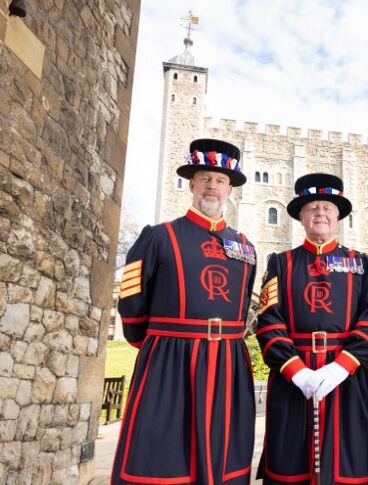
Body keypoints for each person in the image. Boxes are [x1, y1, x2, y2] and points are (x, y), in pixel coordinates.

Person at [112, 138, 257, 485]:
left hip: (228, 361)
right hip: (169, 359)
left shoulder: (246, 246)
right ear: (191, 183)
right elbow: (131, 300)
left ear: (230, 190)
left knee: (225, 455)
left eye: (220, 180)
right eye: (205, 177)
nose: (212, 186)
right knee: (162, 453)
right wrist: (156, 347)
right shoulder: (159, 236)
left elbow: (244, 303)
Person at [255, 173, 368, 484]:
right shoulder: (281, 263)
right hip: (293, 379)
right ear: (301, 216)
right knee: (290, 460)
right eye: (312, 207)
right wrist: (296, 370)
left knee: (350, 462)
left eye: (327, 207)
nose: (320, 213)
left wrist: (341, 368)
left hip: (348, 379)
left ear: (338, 216)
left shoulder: (362, 264)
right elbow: (268, 319)